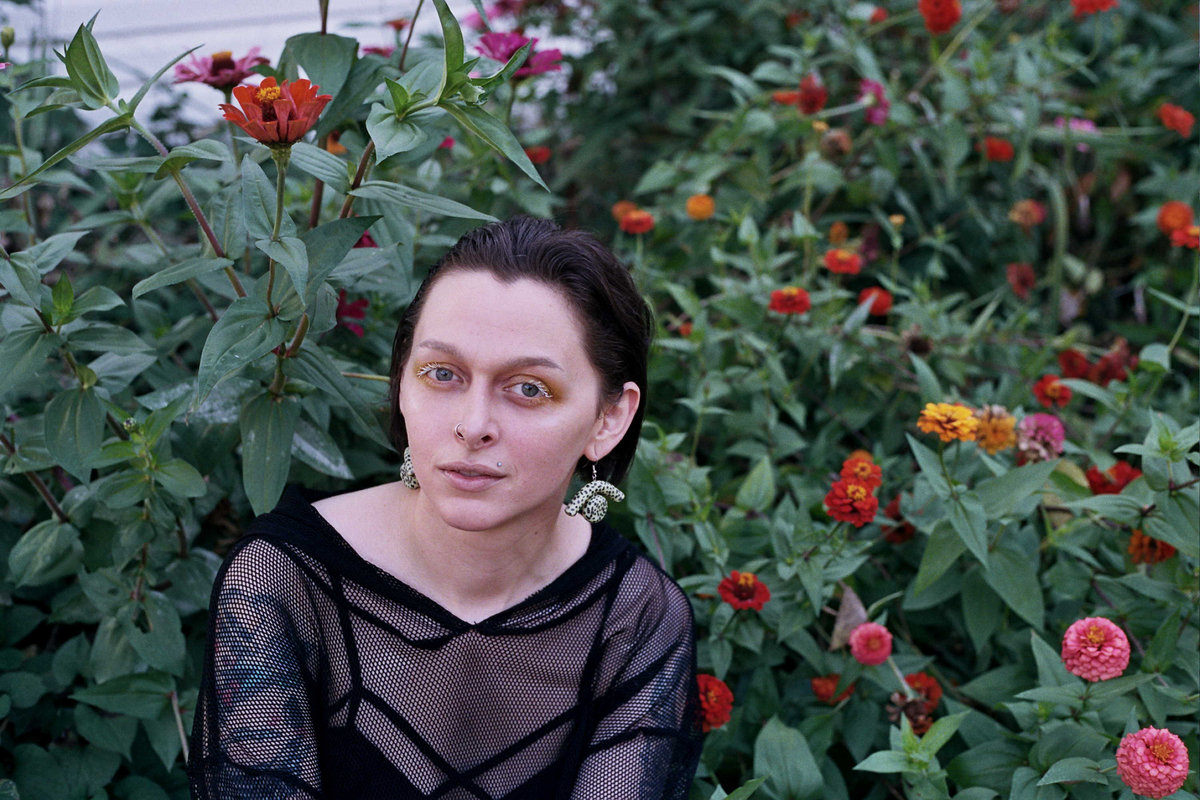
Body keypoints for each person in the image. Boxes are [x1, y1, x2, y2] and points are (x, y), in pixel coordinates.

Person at [188, 216, 702, 799]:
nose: (472, 425)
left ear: (608, 418)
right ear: (402, 384)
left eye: (528, 388)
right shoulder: (283, 579)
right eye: (442, 374)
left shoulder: (636, 618)